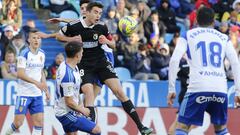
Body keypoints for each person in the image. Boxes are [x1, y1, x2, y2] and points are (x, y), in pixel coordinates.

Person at [43, 2, 153, 134]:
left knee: (119, 92)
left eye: (100, 13)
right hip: (83, 64)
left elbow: (113, 44)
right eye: (95, 12)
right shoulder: (74, 26)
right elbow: (59, 36)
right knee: (88, 93)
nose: (98, 15)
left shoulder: (102, 26)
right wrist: (71, 39)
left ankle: (141, 127)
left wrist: (106, 42)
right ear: (87, 13)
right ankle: (92, 129)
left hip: (101, 62)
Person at [167, 7, 240, 135]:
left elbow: (174, 60)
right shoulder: (223, 38)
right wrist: (238, 91)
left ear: (195, 20)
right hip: (220, 89)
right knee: (221, 129)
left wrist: (171, 89)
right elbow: (235, 62)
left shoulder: (187, 35)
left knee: (182, 127)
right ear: (213, 22)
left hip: (197, 88)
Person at [5, 29, 50, 135]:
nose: (36, 40)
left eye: (38, 38)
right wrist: (36, 83)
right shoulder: (24, 54)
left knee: (39, 123)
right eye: (33, 38)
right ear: (29, 40)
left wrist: (46, 89)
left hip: (37, 95)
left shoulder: (42, 54)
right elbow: (20, 74)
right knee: (18, 123)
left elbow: (41, 72)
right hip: (24, 94)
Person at [55, 41, 101, 135]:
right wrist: (83, 110)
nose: (82, 55)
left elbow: (75, 91)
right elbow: (69, 101)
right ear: (77, 55)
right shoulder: (68, 75)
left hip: (69, 110)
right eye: (82, 53)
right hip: (65, 113)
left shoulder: (72, 66)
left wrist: (80, 106)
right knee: (96, 130)